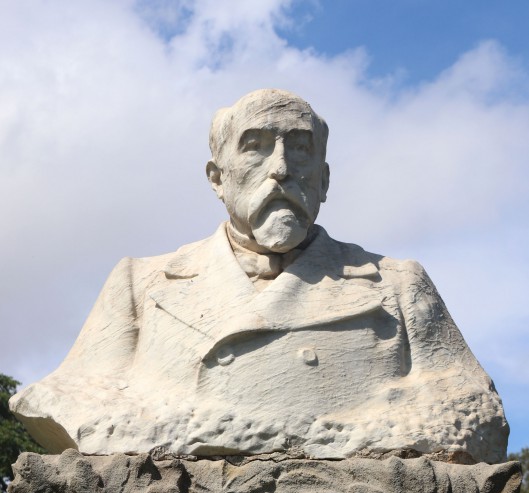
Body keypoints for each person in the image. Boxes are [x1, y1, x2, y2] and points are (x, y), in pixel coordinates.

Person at [10, 89, 507, 463]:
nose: (281, 168)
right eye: (256, 147)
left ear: (325, 180)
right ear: (217, 178)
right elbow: (74, 399)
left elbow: (473, 416)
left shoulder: (398, 286)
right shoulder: (142, 284)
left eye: (301, 149)